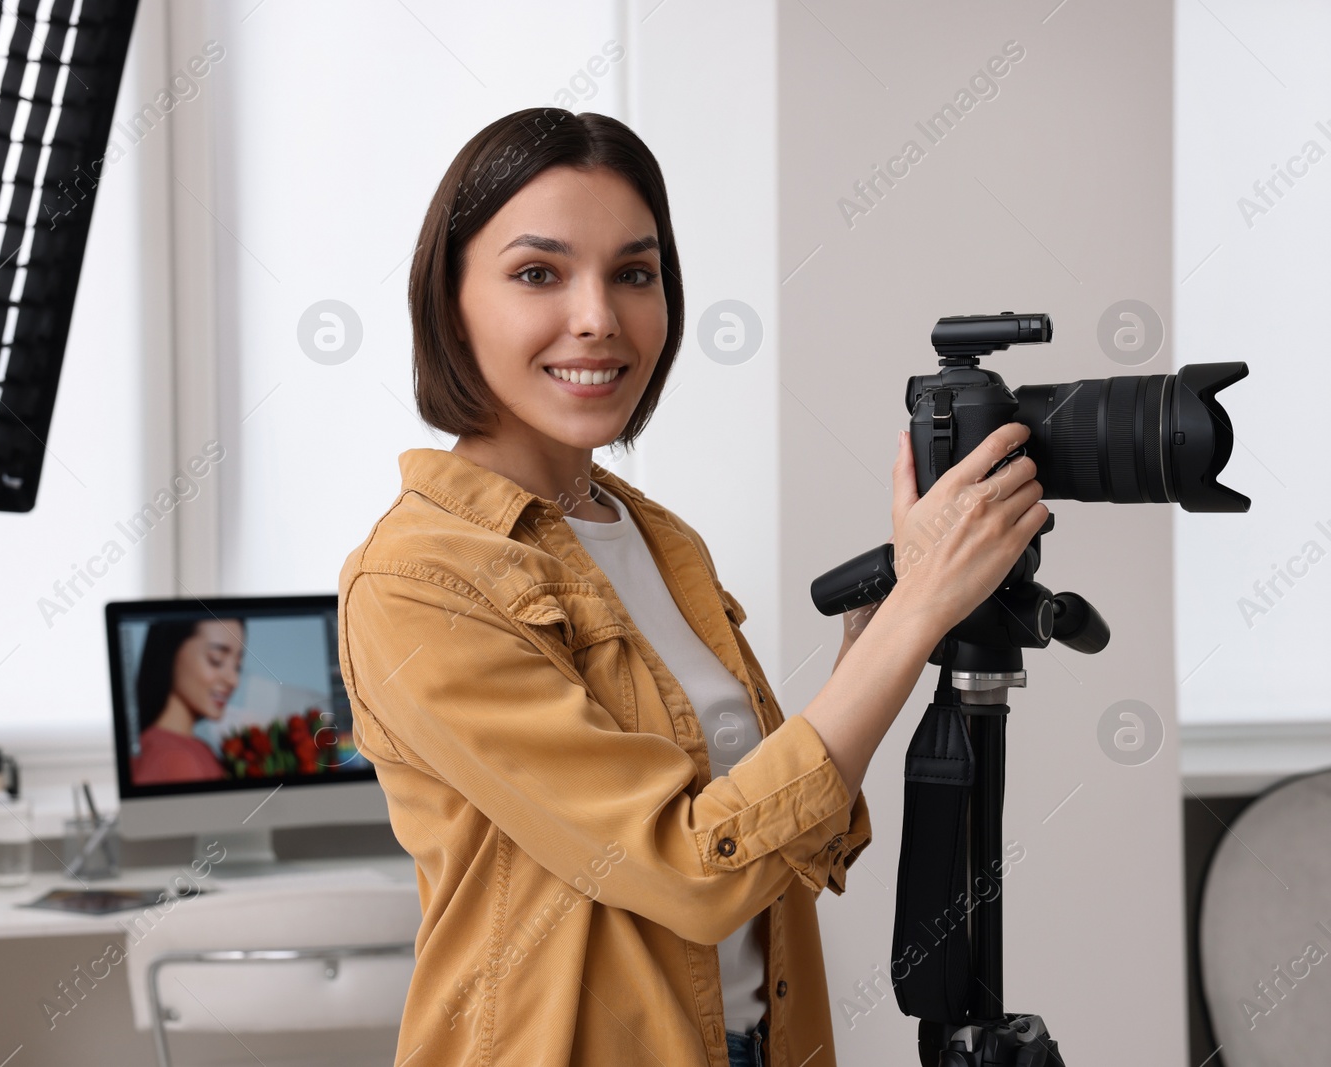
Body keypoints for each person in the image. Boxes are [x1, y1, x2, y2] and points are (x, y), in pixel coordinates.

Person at [336, 108, 1046, 1067]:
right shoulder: (418, 581)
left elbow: (772, 829)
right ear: (449, 299)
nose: (598, 316)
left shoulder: (654, 536)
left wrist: (884, 626)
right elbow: (687, 868)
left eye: (634, 273)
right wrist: (915, 614)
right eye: (538, 272)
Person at [129, 618, 245, 786]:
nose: (233, 680)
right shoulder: (174, 759)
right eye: (216, 660)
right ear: (171, 649)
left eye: (237, 666)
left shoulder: (197, 749)